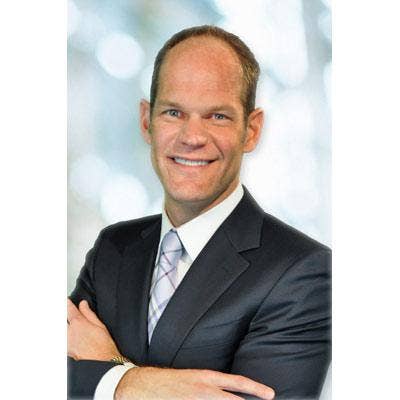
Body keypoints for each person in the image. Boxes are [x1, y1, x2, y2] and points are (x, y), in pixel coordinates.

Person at [68, 25, 331, 400]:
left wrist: (113, 374)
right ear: (147, 120)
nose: (192, 137)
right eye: (174, 112)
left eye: (217, 116)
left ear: (251, 130)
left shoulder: (303, 272)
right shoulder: (114, 248)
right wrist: (129, 383)